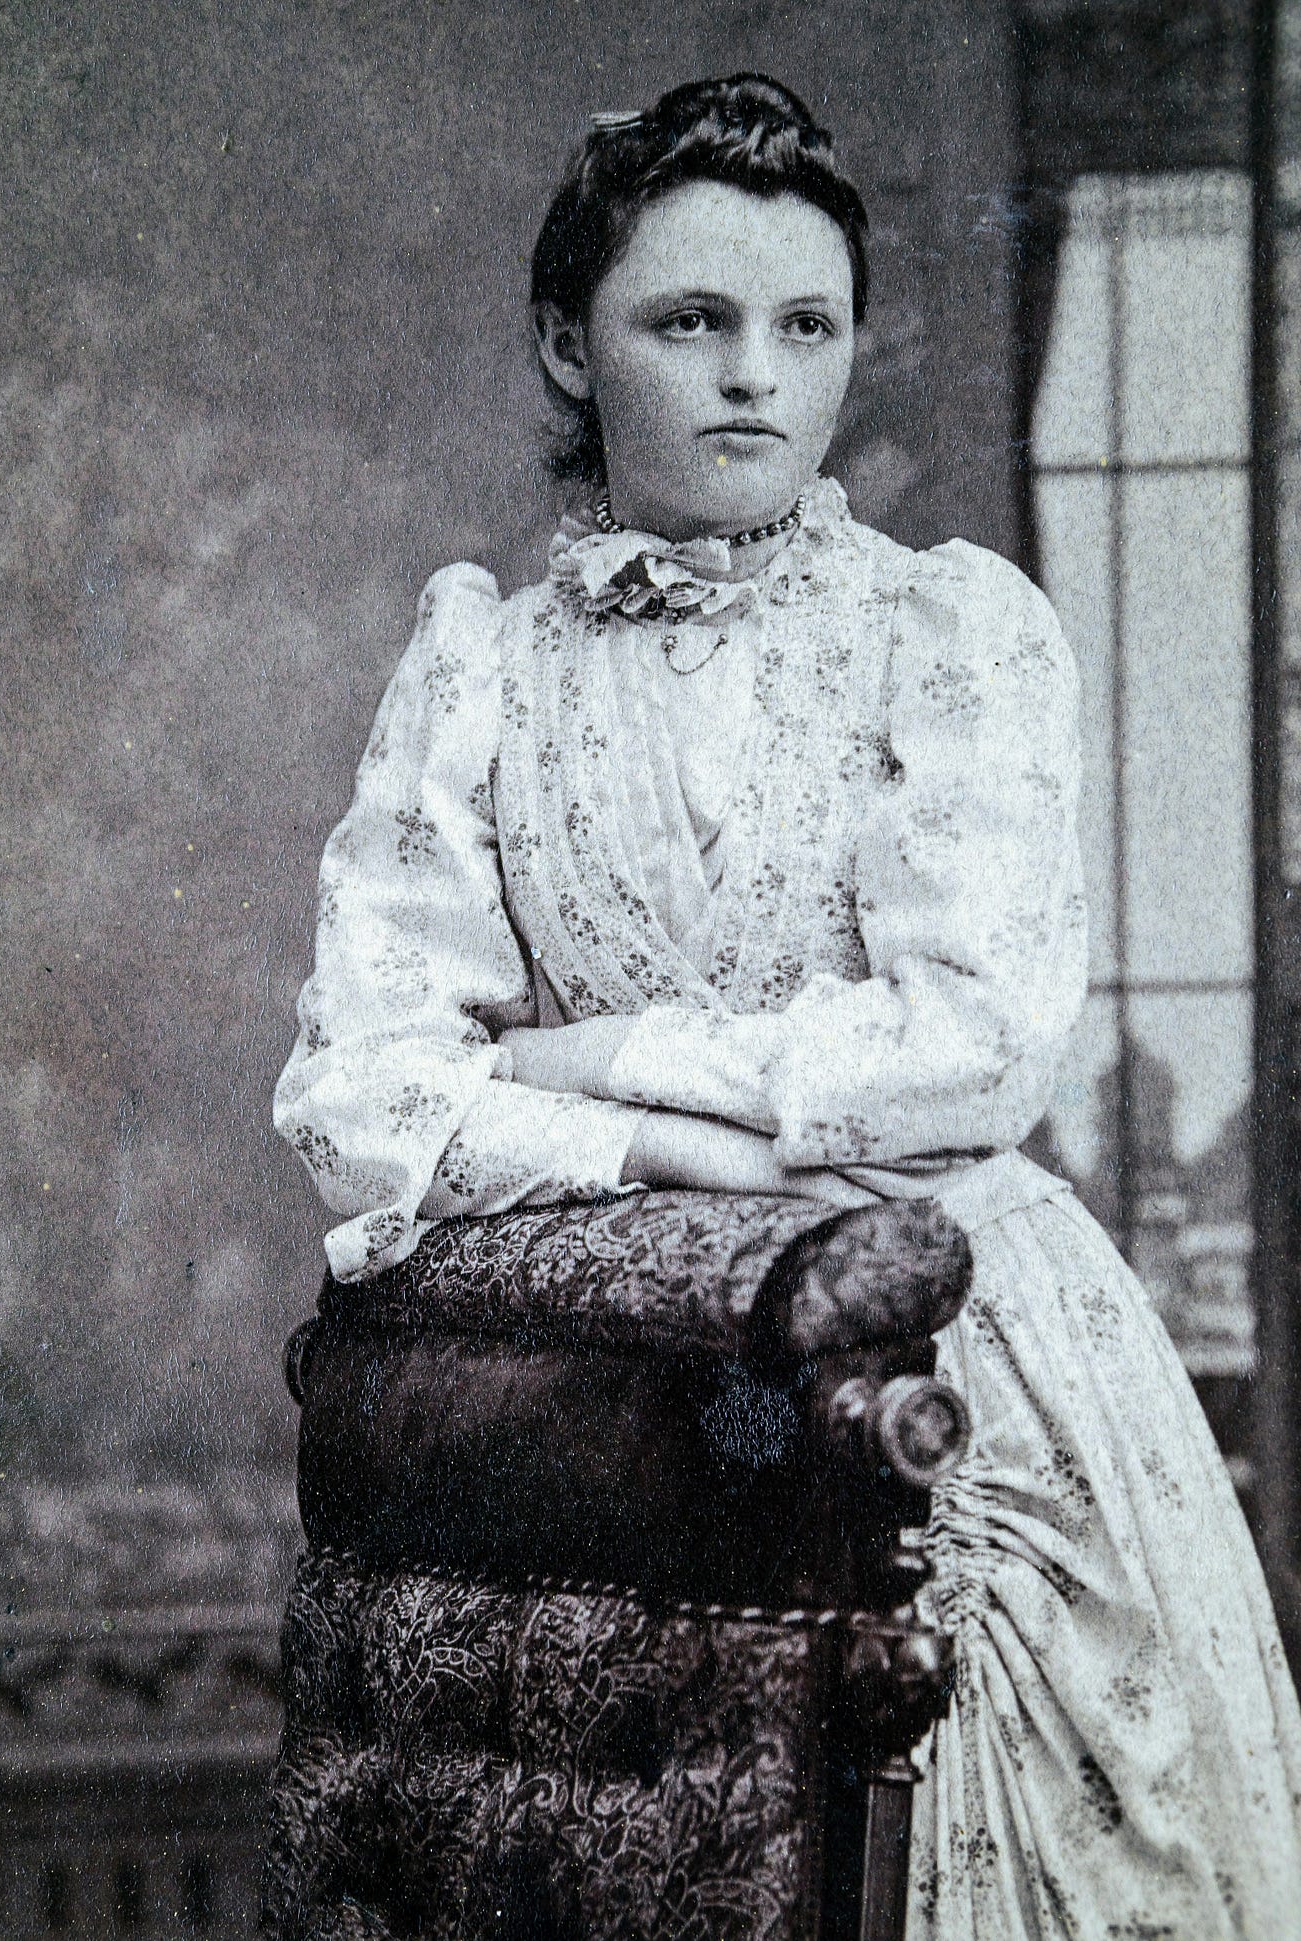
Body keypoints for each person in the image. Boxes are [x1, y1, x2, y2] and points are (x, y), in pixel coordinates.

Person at [273, 72, 1301, 1939]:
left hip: (960, 1358)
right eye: (692, 320)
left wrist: (588, 1061)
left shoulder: (944, 633)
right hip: (632, 1399)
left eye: (803, 326)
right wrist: (666, 1142)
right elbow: (357, 1096)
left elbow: (972, 1048)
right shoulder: (478, 673)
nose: (757, 374)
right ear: (566, 348)